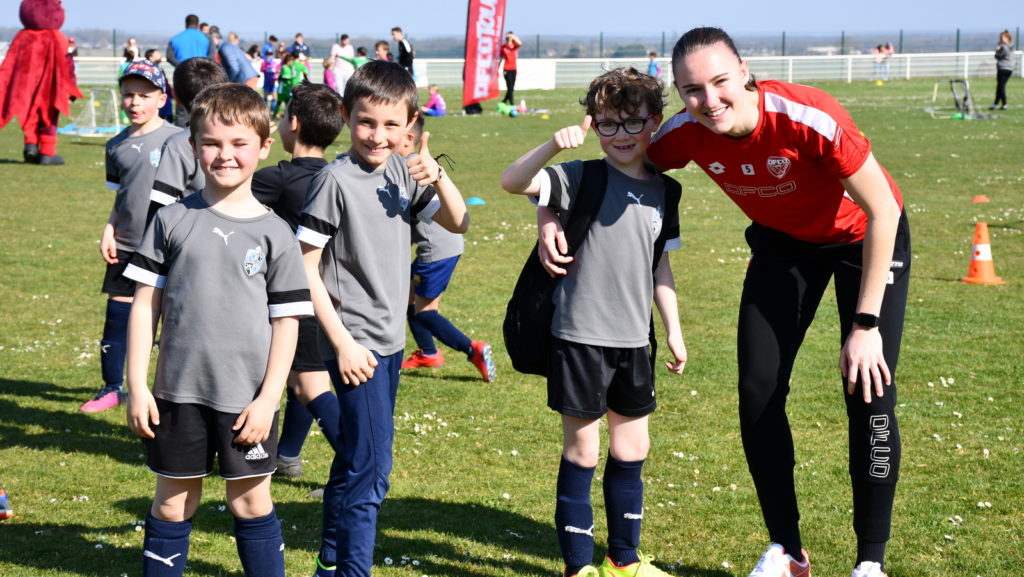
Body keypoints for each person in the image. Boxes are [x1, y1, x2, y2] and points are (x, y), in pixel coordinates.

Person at [636, 27, 909, 577]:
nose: (709, 100)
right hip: (784, 246)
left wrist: (866, 324)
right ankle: (787, 551)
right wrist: (552, 213)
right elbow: (623, 162)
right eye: (692, 90)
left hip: (864, 239)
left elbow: (884, 210)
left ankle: (870, 562)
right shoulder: (684, 133)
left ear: (744, 73)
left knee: (868, 390)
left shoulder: (807, 116)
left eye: (720, 81)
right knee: (758, 392)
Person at [502, 66, 687, 577]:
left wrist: (672, 328)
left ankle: (623, 561)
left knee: (633, 449)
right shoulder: (580, 175)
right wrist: (552, 146)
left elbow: (660, 265)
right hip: (579, 337)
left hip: (635, 340)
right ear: (594, 124)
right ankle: (577, 567)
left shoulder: (667, 191)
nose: (620, 135)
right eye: (607, 124)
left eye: (633, 123)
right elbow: (512, 181)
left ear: (654, 121)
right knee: (582, 451)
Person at [124, 83, 312, 577]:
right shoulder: (171, 220)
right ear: (193, 146)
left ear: (264, 146)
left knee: (251, 503)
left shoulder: (276, 233)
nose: (224, 154)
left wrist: (268, 399)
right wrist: (137, 386)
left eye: (238, 143)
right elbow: (144, 306)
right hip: (176, 394)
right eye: (211, 143)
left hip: (246, 400)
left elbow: (286, 322)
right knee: (172, 503)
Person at [296, 60, 469, 577]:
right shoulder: (334, 181)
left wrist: (437, 175)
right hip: (357, 346)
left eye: (391, 125)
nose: (377, 135)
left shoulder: (402, 170)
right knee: (372, 472)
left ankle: (329, 564)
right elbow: (305, 268)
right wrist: (343, 344)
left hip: (390, 342)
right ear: (346, 116)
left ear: (410, 125)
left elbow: (459, 221)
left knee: (354, 458)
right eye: (366, 122)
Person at [80, 60, 187, 413]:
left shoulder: (179, 139)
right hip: (128, 246)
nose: (135, 102)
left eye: (144, 95)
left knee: (175, 324)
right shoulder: (115, 145)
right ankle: (113, 387)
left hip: (170, 247)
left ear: (162, 99)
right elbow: (122, 196)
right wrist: (109, 228)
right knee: (117, 317)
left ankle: (172, 393)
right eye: (128, 95)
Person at [251, 82, 346, 476]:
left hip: (300, 296)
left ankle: (359, 467)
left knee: (309, 386)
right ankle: (286, 455)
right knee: (300, 378)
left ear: (293, 123)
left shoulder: (277, 178)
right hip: (334, 294)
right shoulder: (339, 175)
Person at [398, 116, 494, 381]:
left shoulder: (411, 168)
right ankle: (429, 353)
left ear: (408, 139)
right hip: (443, 245)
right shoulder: (421, 164)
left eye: (391, 128)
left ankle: (473, 349)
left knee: (424, 312)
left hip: (435, 250)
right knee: (409, 298)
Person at [0, 0, 82, 165]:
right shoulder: (58, 37)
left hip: (25, 85)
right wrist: (71, 85)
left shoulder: (22, 36)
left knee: (29, 114)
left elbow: (9, 63)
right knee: (49, 117)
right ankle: (47, 151)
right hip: (51, 87)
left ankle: (30, 145)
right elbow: (67, 65)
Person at [151, 57, 230, 206]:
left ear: (176, 97)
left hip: (191, 220)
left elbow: (159, 206)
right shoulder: (244, 138)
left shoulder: (178, 144)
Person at [166, 14, 211, 127]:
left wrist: (183, 66)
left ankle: (180, 134)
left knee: (182, 111)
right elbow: (211, 56)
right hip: (203, 76)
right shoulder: (206, 38)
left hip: (183, 76)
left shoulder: (175, 39)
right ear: (198, 24)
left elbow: (169, 56)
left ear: (185, 23)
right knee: (204, 108)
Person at [991, 30, 1013, 110]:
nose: (1000, 39)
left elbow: (998, 56)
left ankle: (1004, 104)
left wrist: (997, 51)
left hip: (1003, 68)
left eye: (1002, 37)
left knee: (1001, 87)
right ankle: (995, 104)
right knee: (1000, 86)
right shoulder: (1011, 45)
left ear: (1007, 38)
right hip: (1009, 69)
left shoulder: (1004, 47)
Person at [500, 31, 522, 106]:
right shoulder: (503, 47)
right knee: (509, 87)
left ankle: (503, 102)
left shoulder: (515, 46)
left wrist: (512, 36)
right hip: (506, 69)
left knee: (511, 88)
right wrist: (497, 68)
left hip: (514, 69)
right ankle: (512, 104)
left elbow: (520, 43)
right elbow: (500, 58)